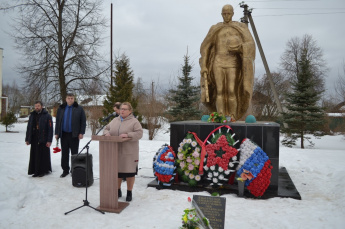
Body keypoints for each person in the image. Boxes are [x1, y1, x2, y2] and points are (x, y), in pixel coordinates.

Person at [199, 4, 255, 121]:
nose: (226, 16)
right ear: (221, 14)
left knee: (231, 90)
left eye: (228, 13)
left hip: (233, 63)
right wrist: (204, 65)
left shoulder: (240, 28)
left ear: (233, 14)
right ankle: (220, 116)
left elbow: (250, 45)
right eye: (224, 14)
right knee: (219, 90)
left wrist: (239, 48)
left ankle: (233, 116)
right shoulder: (215, 28)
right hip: (217, 62)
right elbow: (205, 47)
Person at [103, 102, 143, 202]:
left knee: (129, 173)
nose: (122, 111)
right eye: (121, 109)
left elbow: (139, 133)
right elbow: (106, 128)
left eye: (125, 109)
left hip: (129, 152)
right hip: (115, 151)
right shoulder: (114, 120)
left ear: (130, 111)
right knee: (117, 173)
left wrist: (128, 134)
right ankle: (118, 190)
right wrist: (107, 133)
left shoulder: (134, 121)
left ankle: (129, 192)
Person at [55, 93, 86, 178]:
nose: (70, 100)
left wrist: (81, 132)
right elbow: (58, 121)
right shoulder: (61, 108)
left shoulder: (79, 108)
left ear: (74, 99)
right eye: (68, 98)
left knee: (74, 153)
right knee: (64, 153)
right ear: (66, 99)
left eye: (72, 98)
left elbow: (83, 121)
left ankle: (74, 170)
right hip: (64, 134)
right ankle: (65, 170)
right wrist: (57, 133)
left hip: (74, 135)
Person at [25, 101, 53, 177]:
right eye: (36, 106)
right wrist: (27, 139)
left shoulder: (47, 116)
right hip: (34, 138)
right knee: (35, 155)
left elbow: (50, 129)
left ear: (42, 106)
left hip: (43, 138)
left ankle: (43, 171)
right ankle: (35, 171)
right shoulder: (32, 115)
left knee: (42, 155)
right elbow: (29, 128)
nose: (37, 107)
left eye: (38, 106)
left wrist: (49, 140)